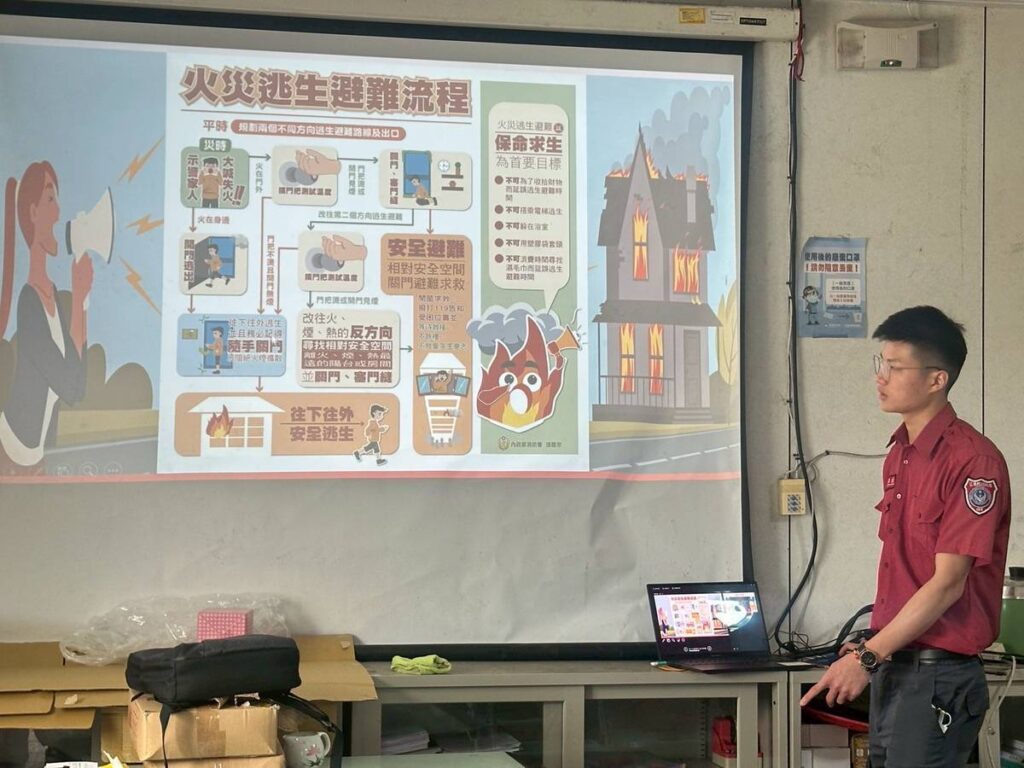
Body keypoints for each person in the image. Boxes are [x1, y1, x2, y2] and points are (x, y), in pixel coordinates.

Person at [800, 305, 1011, 768]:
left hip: (937, 677)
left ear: (937, 379)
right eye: (881, 363)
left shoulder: (973, 462)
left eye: (895, 367)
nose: (881, 377)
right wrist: (871, 646)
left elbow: (948, 583)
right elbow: (907, 571)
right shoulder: (901, 454)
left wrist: (867, 658)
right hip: (896, 665)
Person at [0, 162, 91, 475]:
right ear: (33, 212)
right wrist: (78, 296)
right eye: (51, 199)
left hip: (35, 457)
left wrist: (81, 301)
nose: (58, 211)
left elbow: (78, 387)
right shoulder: (29, 303)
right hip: (11, 452)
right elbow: (68, 385)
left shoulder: (51, 294)